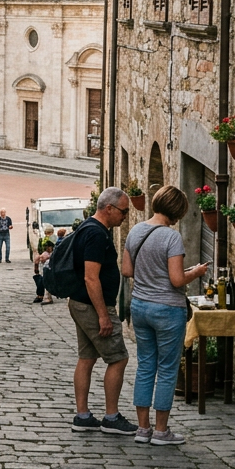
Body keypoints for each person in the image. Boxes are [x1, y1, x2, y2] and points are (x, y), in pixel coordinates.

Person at [121, 186, 208, 446]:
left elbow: (127, 270)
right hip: (168, 309)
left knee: (145, 366)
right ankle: (161, 431)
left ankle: (142, 429)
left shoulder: (136, 231)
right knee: (168, 370)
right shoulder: (172, 238)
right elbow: (176, 279)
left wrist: (149, 274)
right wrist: (196, 272)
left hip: (140, 306)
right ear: (177, 211)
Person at [68, 187, 136, 436]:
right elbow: (91, 278)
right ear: (109, 208)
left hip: (80, 303)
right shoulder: (96, 234)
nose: (125, 216)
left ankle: (83, 416)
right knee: (118, 358)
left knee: (87, 358)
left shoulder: (88, 227)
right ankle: (111, 417)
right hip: (91, 306)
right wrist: (103, 315)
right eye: (124, 211)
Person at [33, 240, 55, 304]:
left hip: (48, 271)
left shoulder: (50, 254)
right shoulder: (46, 254)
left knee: (43, 282)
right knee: (42, 282)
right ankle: (42, 296)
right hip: (46, 271)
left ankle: (42, 296)